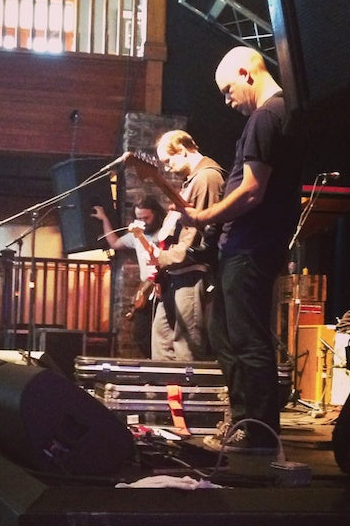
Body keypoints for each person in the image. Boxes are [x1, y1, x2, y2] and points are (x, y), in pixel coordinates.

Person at [176, 46, 302, 453]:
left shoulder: (267, 115)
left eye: (228, 90)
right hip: (243, 247)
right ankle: (246, 423)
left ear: (247, 73)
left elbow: (251, 190)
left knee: (247, 341)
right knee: (226, 336)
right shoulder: (275, 115)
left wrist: (206, 217)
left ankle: (261, 434)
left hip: (251, 246)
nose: (228, 101)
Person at [150, 130, 224, 361]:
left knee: (186, 351)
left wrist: (160, 258)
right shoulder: (192, 181)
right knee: (162, 344)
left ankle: (189, 397)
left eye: (169, 161)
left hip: (192, 273)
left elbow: (197, 239)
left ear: (182, 150)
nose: (167, 168)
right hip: (178, 274)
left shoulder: (207, 178)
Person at [92, 195, 166, 358]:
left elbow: (155, 257)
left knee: (162, 334)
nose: (143, 222)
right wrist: (104, 218)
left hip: (163, 284)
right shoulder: (137, 234)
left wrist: (139, 236)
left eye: (146, 218)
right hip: (146, 287)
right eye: (139, 218)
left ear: (156, 214)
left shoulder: (164, 233)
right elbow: (115, 243)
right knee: (141, 333)